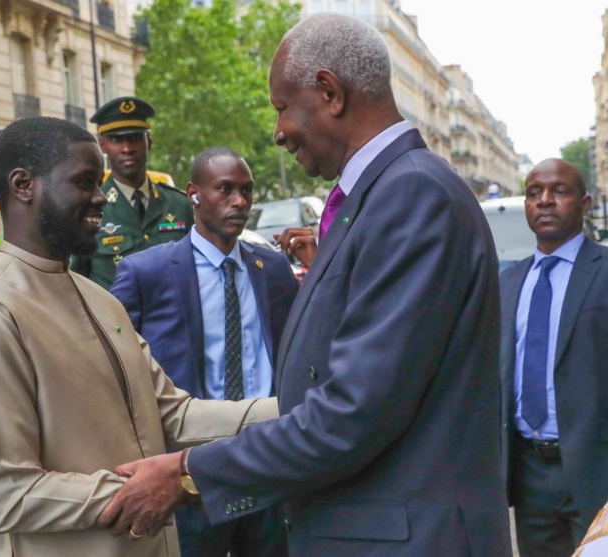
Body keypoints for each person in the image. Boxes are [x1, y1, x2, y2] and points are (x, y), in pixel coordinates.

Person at [96, 14, 512, 556]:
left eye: (282, 107)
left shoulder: (410, 195)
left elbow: (353, 411)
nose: (277, 132)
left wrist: (187, 473)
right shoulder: (383, 194)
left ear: (330, 93)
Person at [0, 117, 278, 557]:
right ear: (23, 185)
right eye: (84, 183)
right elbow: (6, 494)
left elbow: (175, 417)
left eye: (99, 183)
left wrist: (298, 408)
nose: (101, 197)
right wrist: (159, 485)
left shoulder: (101, 301)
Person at [110, 147, 298, 557]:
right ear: (193, 193)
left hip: (266, 459)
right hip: (189, 467)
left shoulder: (273, 269)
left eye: (246, 191)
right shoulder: (147, 273)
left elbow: (298, 353)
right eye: (225, 190)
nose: (240, 202)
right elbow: (114, 364)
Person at [498, 158, 608, 557]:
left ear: (585, 204)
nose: (544, 200)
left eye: (559, 191)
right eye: (534, 193)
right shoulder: (507, 283)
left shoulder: (604, 271)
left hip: (597, 470)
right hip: (529, 474)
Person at [70, 96, 195, 289]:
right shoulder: (87, 210)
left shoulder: (179, 205)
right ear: (102, 145)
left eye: (134, 138)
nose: (127, 148)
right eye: (116, 140)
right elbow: (75, 281)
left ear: (149, 142)